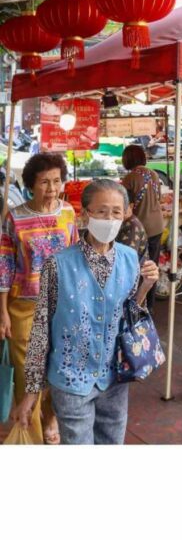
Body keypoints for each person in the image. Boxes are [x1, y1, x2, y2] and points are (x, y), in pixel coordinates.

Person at [10, 179, 159, 444]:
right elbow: (41, 329)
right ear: (85, 213)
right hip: (70, 380)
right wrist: (31, 393)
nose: (109, 218)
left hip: (115, 379)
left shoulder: (130, 258)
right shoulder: (57, 264)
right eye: (101, 211)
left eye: (116, 211)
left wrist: (145, 288)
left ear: (126, 214)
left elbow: (132, 320)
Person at [0, 153, 78, 444]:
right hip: (24, 307)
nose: (52, 188)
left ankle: (50, 417)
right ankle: (29, 437)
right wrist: (3, 312)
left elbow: (75, 258)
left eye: (57, 181)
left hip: (62, 305)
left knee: (57, 367)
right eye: (44, 182)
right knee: (26, 372)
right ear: (31, 184)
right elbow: (5, 265)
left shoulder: (68, 212)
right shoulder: (14, 217)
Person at [121, 145, 165, 309]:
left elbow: (125, 207)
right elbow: (159, 197)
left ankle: (136, 305)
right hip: (158, 225)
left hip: (139, 229)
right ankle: (150, 306)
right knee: (151, 269)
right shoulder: (153, 174)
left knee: (135, 270)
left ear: (127, 159)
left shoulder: (130, 178)